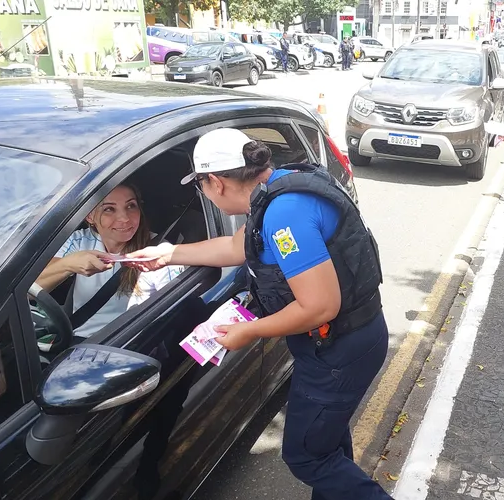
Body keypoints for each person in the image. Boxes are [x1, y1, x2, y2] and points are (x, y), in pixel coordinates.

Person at [126, 129, 392, 500]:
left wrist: (249, 332)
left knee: (307, 457)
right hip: (342, 340)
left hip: (339, 351)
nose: (202, 193)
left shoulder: (285, 216)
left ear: (215, 182)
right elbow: (238, 247)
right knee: (325, 442)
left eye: (200, 185)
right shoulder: (275, 188)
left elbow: (319, 306)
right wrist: (170, 253)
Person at [36, 183, 184, 339]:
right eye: (109, 209)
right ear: (90, 216)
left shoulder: (157, 253)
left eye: (131, 206)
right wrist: (68, 265)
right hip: (76, 338)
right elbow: (31, 289)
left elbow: (175, 312)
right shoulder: (80, 241)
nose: (124, 218)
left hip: (121, 345)